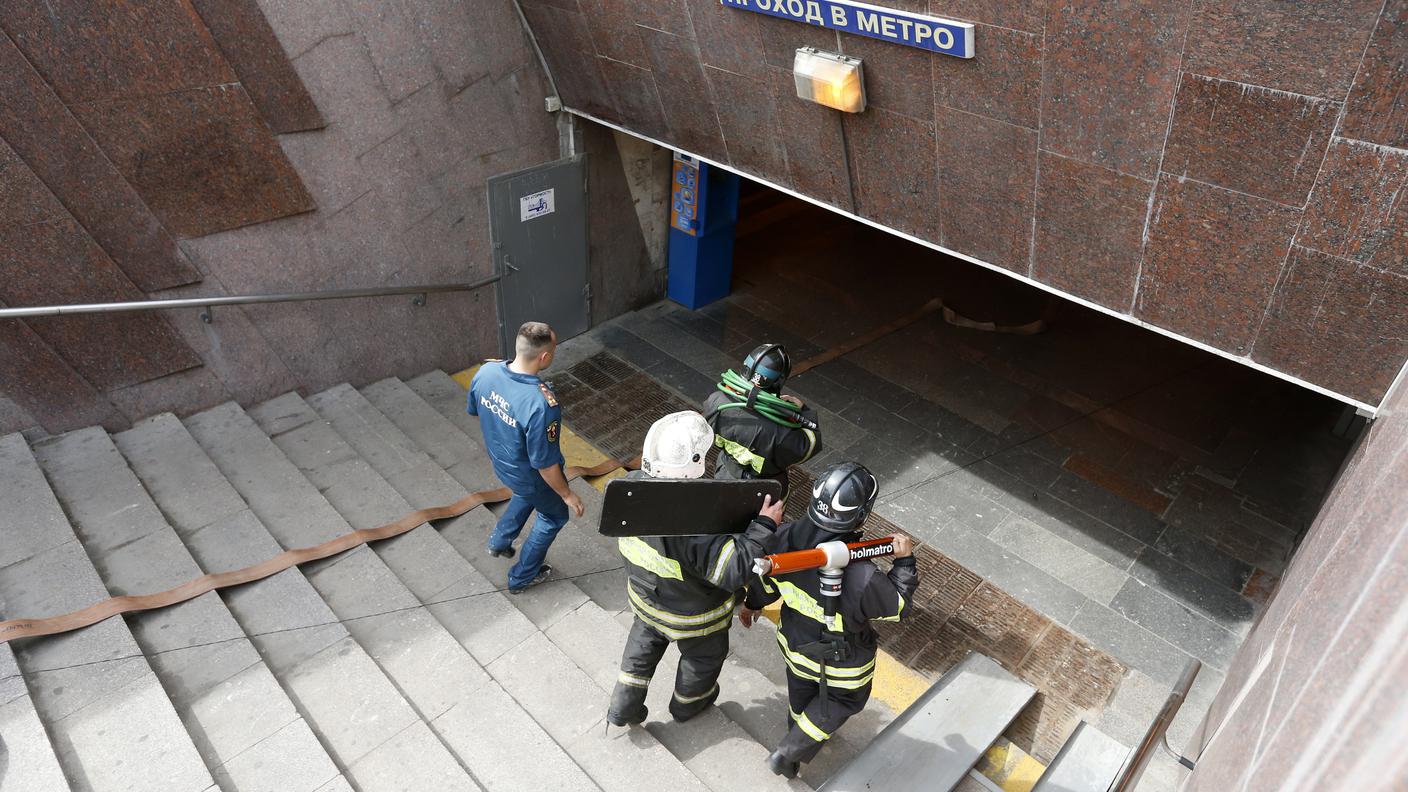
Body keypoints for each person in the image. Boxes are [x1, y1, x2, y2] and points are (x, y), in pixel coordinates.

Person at [607, 410, 786, 727]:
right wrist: (762, 527)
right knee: (702, 660)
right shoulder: (696, 525)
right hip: (695, 617)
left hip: (646, 601)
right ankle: (687, 706)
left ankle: (623, 705)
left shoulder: (628, 492)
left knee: (640, 652)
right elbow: (733, 570)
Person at [742, 461, 917, 778]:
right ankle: (789, 750)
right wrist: (904, 562)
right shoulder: (863, 577)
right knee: (843, 700)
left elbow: (765, 584)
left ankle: (795, 738)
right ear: (860, 514)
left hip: (796, 646)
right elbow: (898, 606)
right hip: (843, 662)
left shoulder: (781, 540)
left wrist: (752, 604)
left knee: (801, 695)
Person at [467, 321, 584, 593]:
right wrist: (567, 495)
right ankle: (522, 576)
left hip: (503, 464)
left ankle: (499, 541)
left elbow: (475, 412)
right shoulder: (541, 404)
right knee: (553, 517)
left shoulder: (486, 372)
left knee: (524, 493)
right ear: (544, 357)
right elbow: (544, 463)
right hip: (531, 475)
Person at [703, 343, 822, 496]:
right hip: (765, 492)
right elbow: (809, 446)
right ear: (778, 382)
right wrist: (803, 410)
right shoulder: (780, 430)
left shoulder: (716, 401)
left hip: (724, 476)